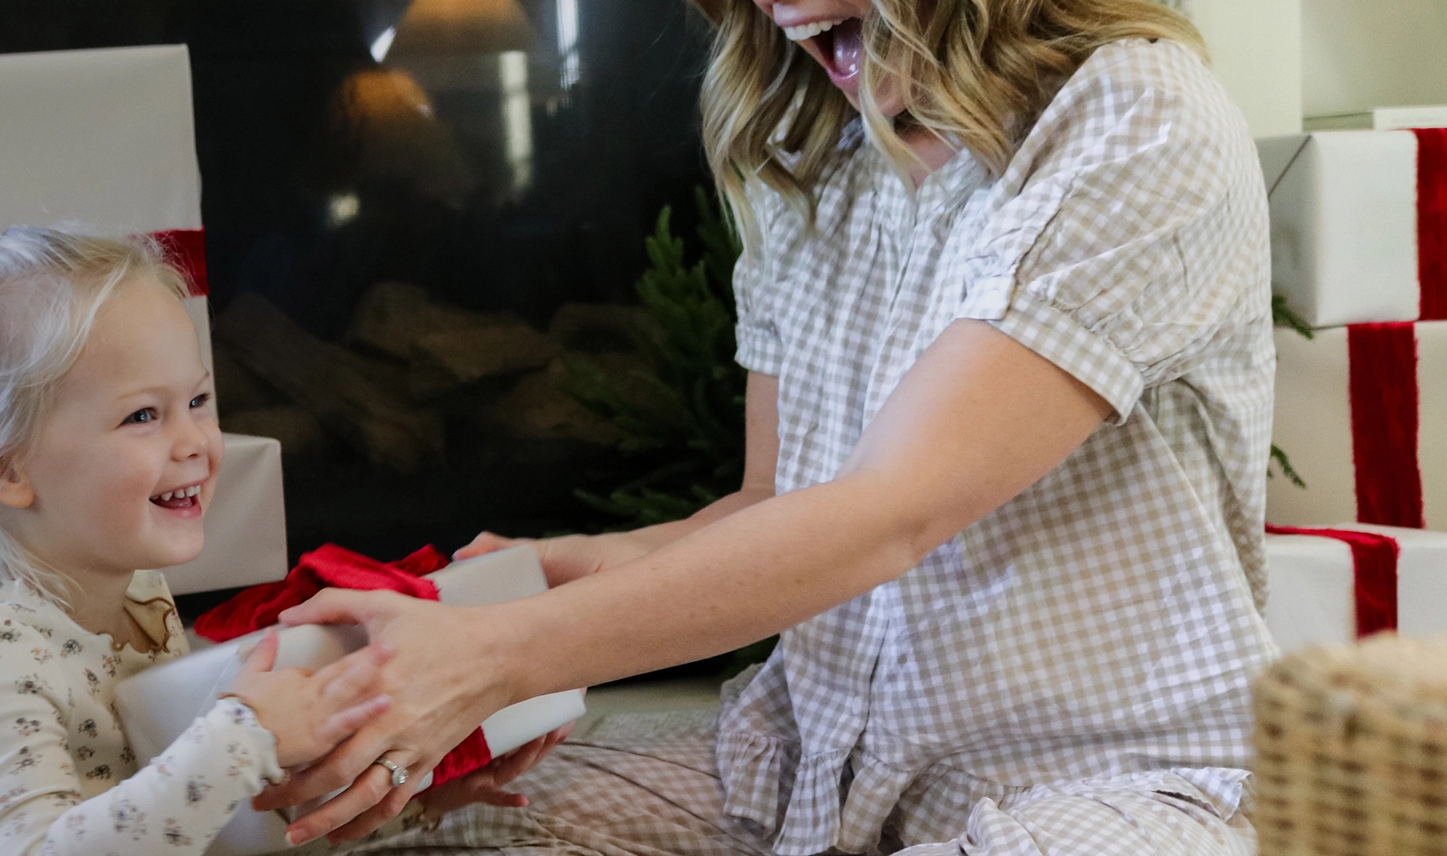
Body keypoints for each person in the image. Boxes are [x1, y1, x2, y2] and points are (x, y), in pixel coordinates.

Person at [255, 0, 1278, 854]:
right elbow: (775, 503)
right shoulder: (807, 152)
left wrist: (503, 652)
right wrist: (562, 579)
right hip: (799, 766)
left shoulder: (1138, 119)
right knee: (430, 837)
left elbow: (887, 512)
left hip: (1107, 784)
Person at [0, 214, 404, 856]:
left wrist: (397, 803)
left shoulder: (136, 592)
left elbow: (164, 811)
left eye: (199, 401)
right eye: (143, 415)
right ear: (5, 470)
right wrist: (243, 738)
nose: (197, 442)